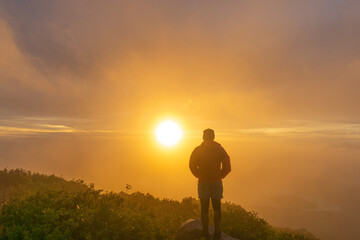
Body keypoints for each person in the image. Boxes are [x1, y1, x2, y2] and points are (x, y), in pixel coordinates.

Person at [189, 128, 231, 240]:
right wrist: (220, 175)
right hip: (216, 182)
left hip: (203, 182)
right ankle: (217, 232)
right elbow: (227, 165)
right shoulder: (220, 149)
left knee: (204, 208)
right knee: (217, 207)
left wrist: (199, 175)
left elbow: (192, 165)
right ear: (213, 136)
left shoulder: (197, 150)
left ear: (203, 137)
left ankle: (205, 232)